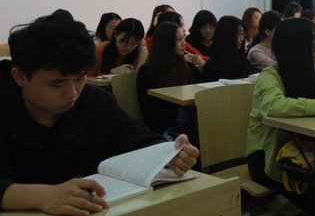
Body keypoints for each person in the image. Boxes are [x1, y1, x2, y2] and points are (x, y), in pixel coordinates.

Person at [0, 13, 199, 215]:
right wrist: (40, 196)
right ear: (20, 77)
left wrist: (169, 154)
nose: (72, 93)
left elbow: (140, 139)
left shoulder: (96, 102)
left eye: (79, 78)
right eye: (57, 84)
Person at [246, 17, 315, 211]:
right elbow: (275, 105)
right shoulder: (270, 75)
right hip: (270, 157)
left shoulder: (313, 70)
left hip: (304, 150)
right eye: (312, 41)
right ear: (298, 47)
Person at [137, 22, 209, 136]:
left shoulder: (187, 67)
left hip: (192, 124)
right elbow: (151, 110)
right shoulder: (147, 71)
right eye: (179, 40)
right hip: (166, 129)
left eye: (183, 38)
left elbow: (204, 90)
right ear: (166, 42)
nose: (184, 44)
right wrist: (182, 115)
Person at [202, 16, 254, 80]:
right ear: (227, 35)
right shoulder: (212, 67)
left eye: (243, 34)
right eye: (238, 33)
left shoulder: (243, 62)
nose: (242, 38)